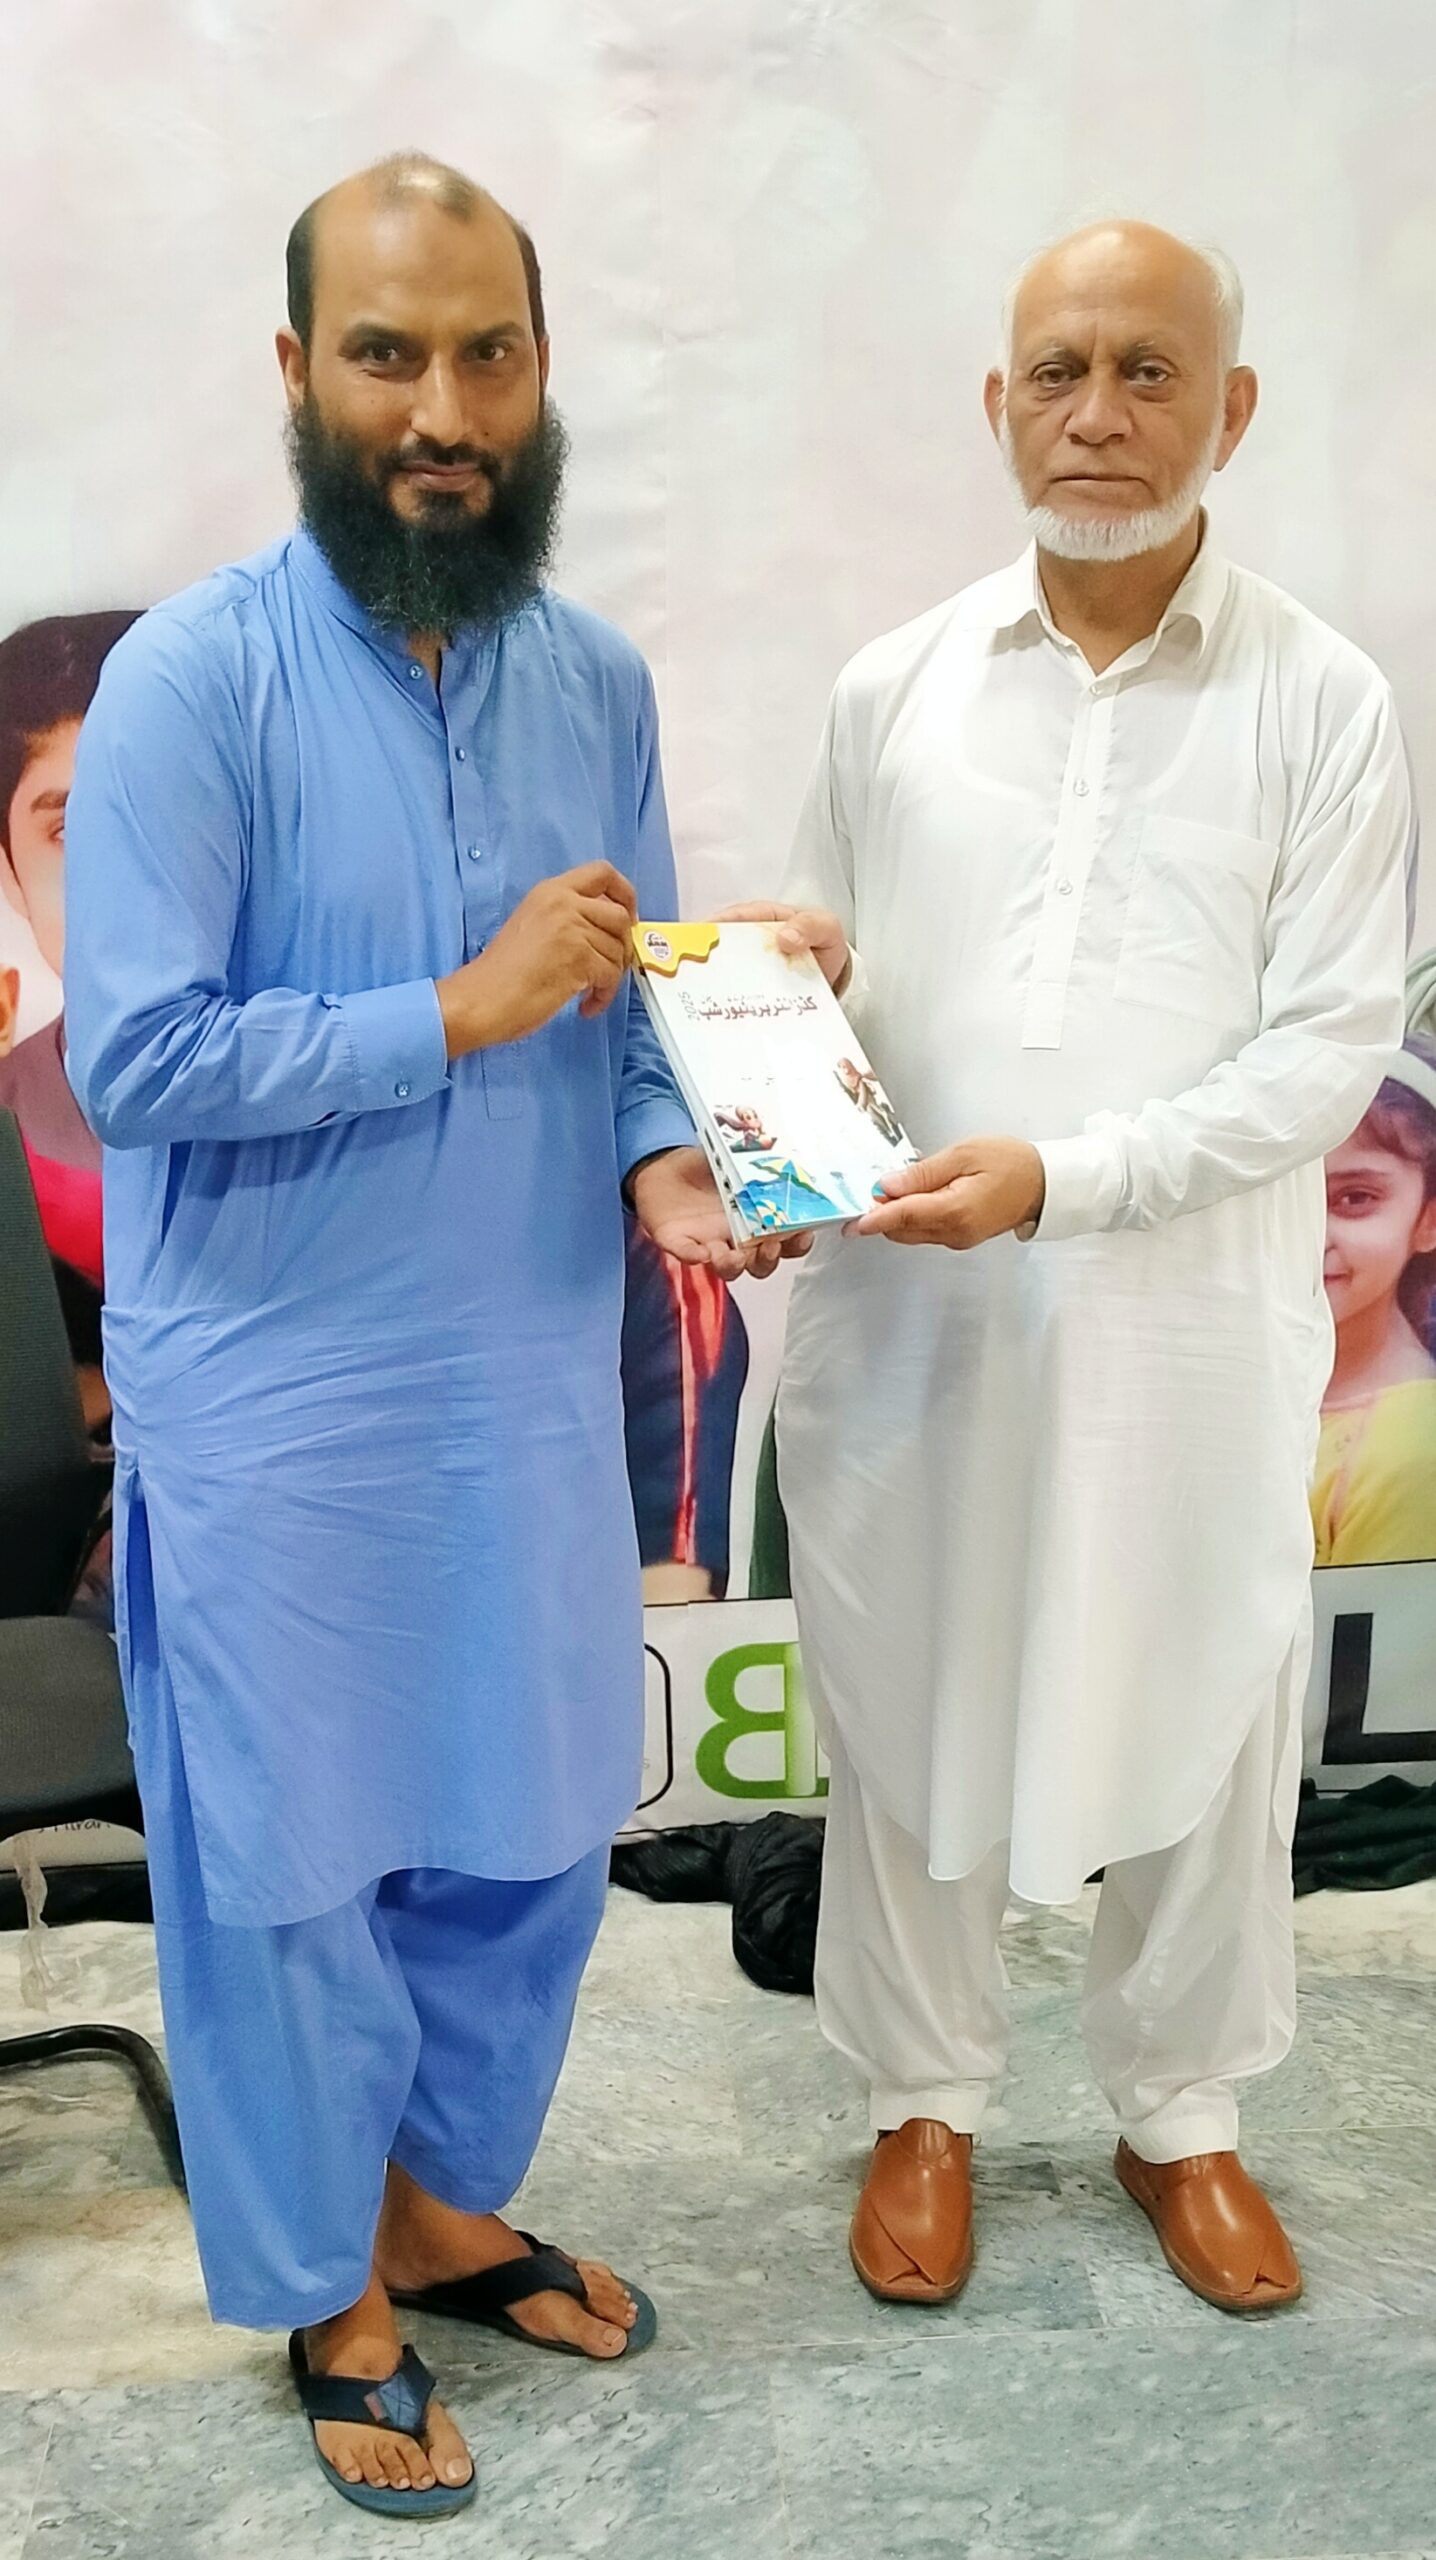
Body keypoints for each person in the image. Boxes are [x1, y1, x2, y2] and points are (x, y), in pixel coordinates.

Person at [62, 153, 802, 2519]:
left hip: (522, 1377)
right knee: (298, 1866)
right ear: (299, 374)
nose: (444, 410)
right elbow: (136, 1056)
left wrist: (672, 1162)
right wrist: (454, 1010)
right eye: (387, 354)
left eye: (487, 352)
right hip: (275, 1400)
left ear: (542, 366)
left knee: (526, 1824)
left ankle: (435, 2197)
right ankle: (327, 2280)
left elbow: (637, 999)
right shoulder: (190, 682)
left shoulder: (595, 679)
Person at [741, 221, 1411, 2316]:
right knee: (911, 1695)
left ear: (1232, 409)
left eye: (1145, 371)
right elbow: (832, 982)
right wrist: (785, 1048)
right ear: (996, 402)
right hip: (922, 1320)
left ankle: (1181, 2114)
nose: (1096, 415)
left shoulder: (1321, 699)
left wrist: (1065, 1181)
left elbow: (1321, 1053)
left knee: (1207, 1702)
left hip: (1179, 1328)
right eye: (1057, 370)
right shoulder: (892, 687)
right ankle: (920, 2098)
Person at [0, 612, 139, 1423]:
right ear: (9, 873)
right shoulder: (10, 1128)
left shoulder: (374, 1088)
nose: (124, 873)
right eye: (68, 829)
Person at [1314, 1038, 1436, 1565]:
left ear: (1429, 1219)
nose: (1310, 1237)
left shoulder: (1413, 1454)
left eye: (1355, 1198)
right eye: (1283, 1200)